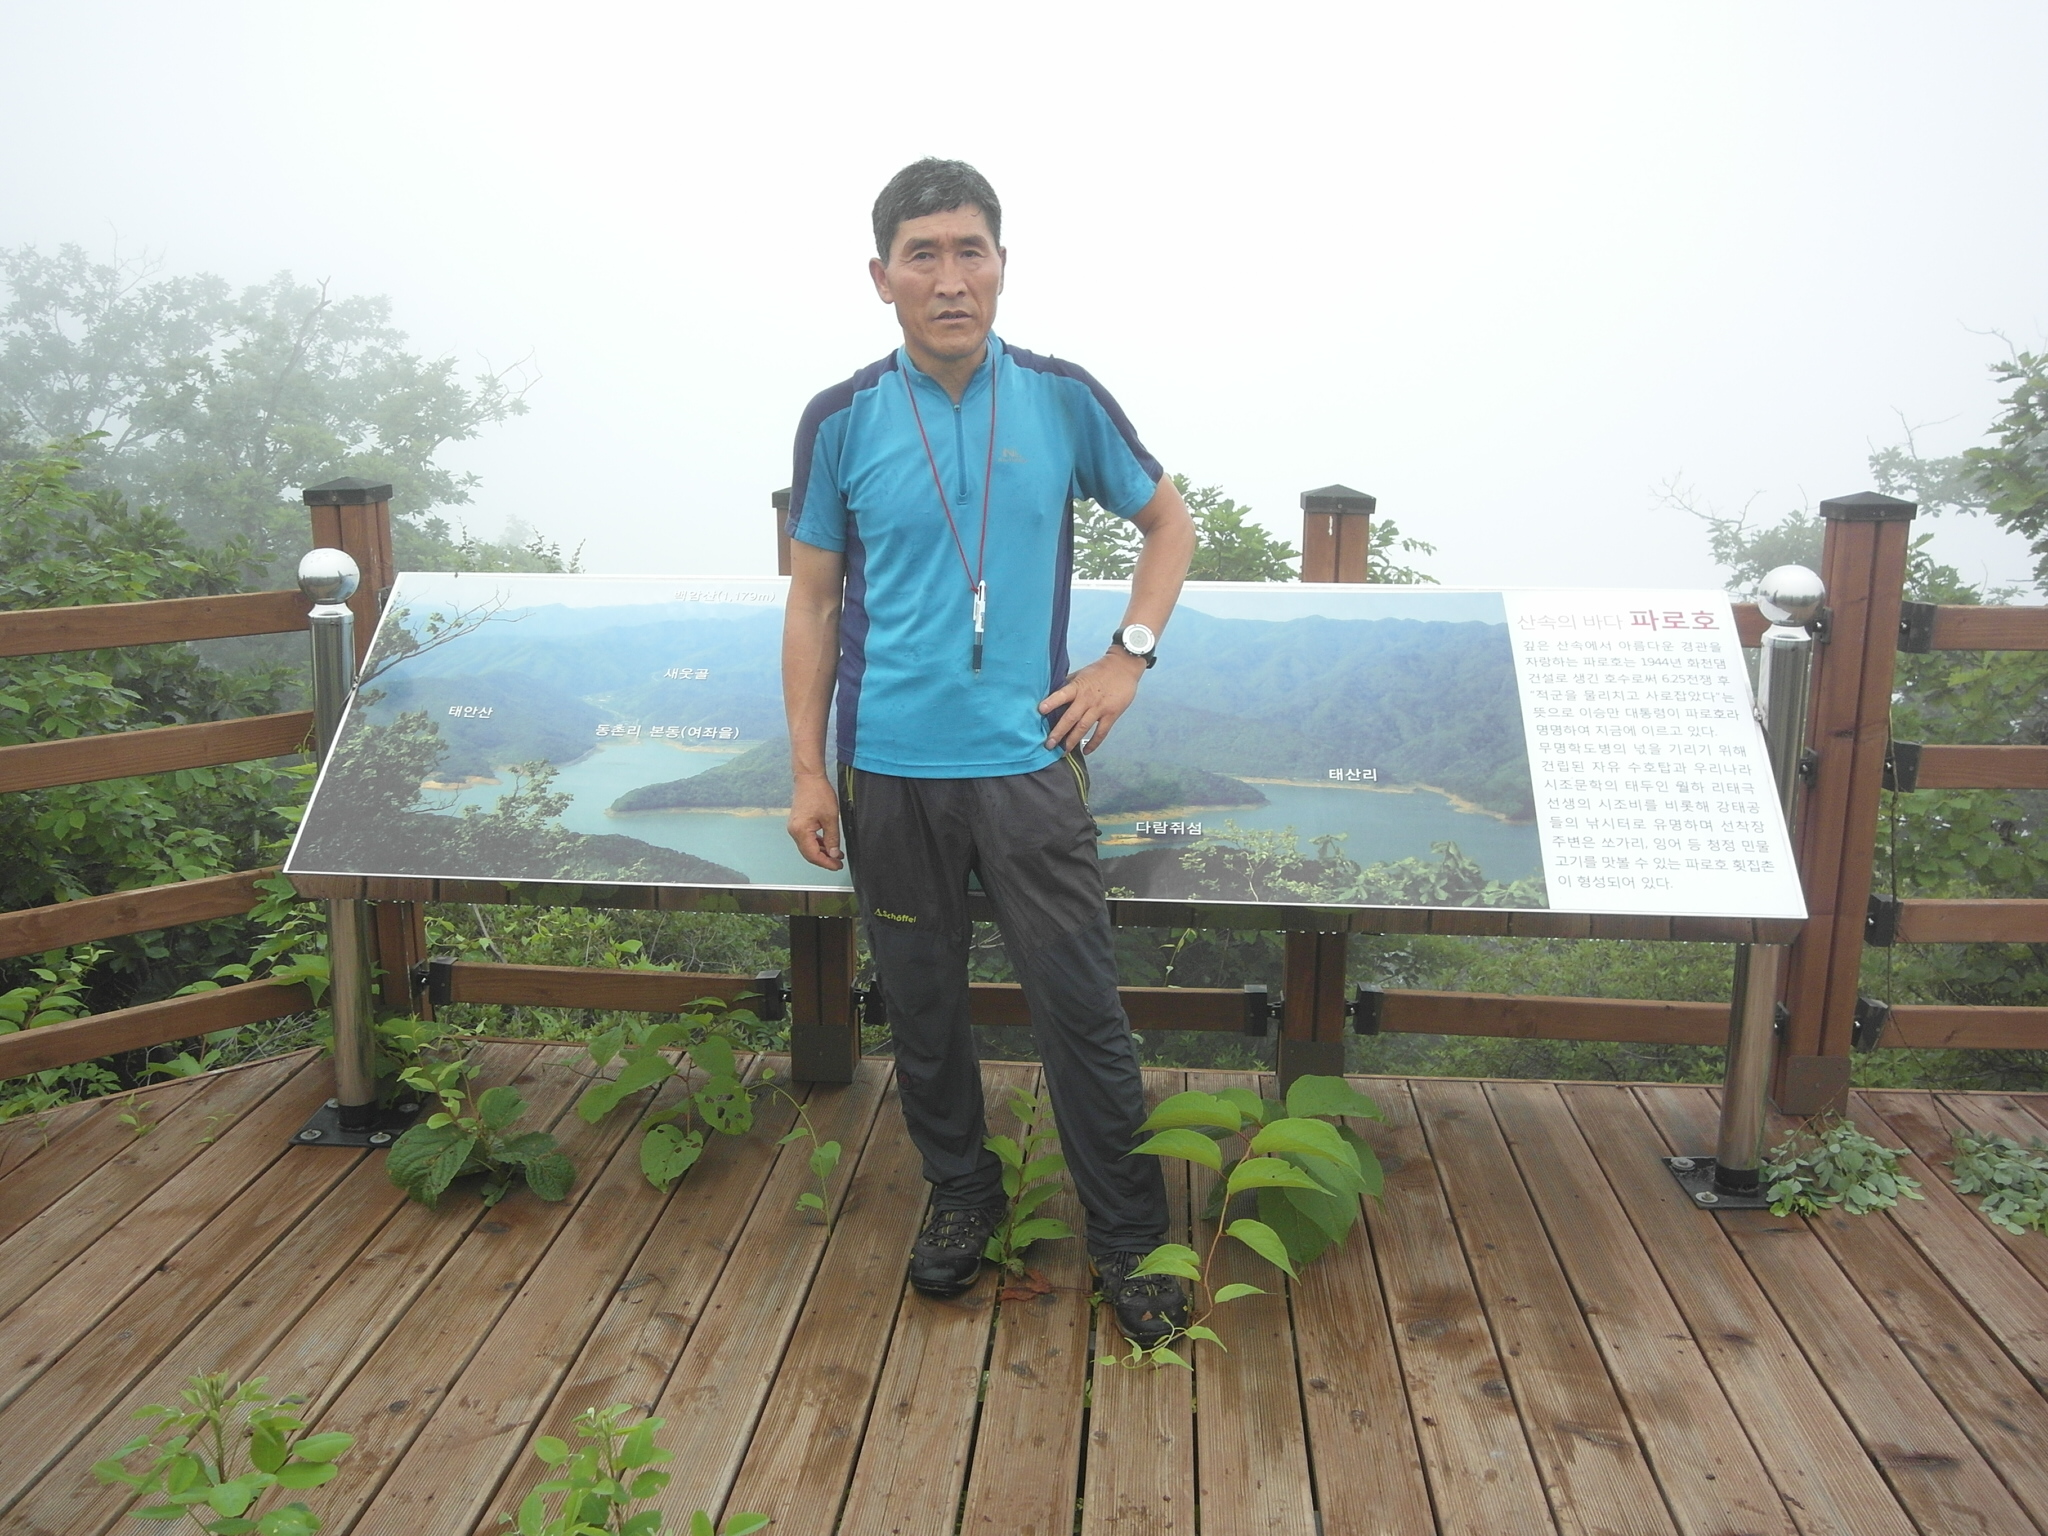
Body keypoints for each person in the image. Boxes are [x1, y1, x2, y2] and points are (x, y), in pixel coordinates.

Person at [780, 158, 1196, 1345]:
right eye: (923, 255)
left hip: (1024, 763)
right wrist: (808, 771)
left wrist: (1126, 656)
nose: (950, 278)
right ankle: (962, 1195)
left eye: (970, 250)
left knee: (1078, 1004)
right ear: (881, 278)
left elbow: (1168, 522)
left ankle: (1129, 1235)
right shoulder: (840, 417)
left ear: (1002, 266)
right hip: (887, 769)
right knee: (921, 1004)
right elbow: (813, 601)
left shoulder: (1060, 399)